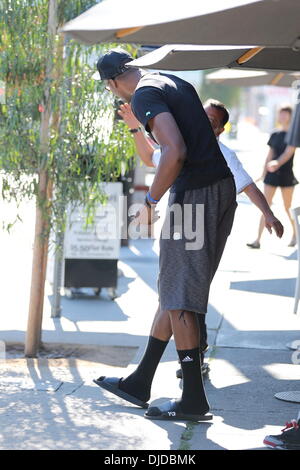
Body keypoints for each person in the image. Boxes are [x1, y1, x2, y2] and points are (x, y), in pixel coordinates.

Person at [93, 48, 237, 422]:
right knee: (175, 290)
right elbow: (178, 145)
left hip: (194, 197)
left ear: (111, 84)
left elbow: (174, 152)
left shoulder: (142, 95)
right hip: (219, 190)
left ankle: (192, 400)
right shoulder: (171, 80)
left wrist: (150, 201)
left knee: (180, 297)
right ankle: (139, 381)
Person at [118, 98, 284, 379]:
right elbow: (151, 157)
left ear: (219, 130)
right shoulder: (182, 145)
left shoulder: (221, 153)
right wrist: (136, 129)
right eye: (201, 116)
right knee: (174, 296)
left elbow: (246, 183)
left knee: (183, 295)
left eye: (211, 122)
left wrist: (268, 214)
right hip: (182, 225)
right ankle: (157, 374)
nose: (202, 123)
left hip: (199, 229)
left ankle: (186, 365)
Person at [247, 105, 297, 249]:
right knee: (265, 207)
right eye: (280, 114)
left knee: (288, 207)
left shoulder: (293, 134)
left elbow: (289, 152)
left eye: (285, 114)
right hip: (272, 174)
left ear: (290, 116)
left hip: (287, 175)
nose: (282, 117)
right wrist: (263, 173)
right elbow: (269, 155)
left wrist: (277, 163)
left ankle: (295, 235)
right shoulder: (274, 134)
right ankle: (257, 240)